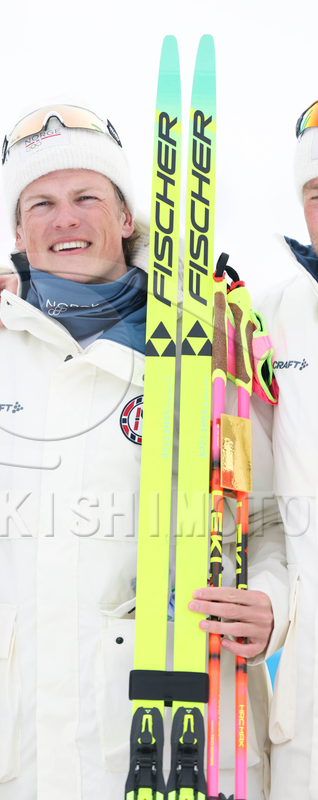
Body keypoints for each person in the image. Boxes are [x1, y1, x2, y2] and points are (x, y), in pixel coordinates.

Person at [0, 104, 289, 799]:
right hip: (22, 742)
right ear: (17, 231)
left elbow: (270, 518)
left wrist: (271, 603)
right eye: (41, 204)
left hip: (184, 728)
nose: (64, 220)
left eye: (86, 197)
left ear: (128, 216)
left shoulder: (211, 346)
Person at [250, 99, 318, 800]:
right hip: (311, 713)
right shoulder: (268, 319)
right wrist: (17, 287)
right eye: (317, 193)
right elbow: (258, 511)